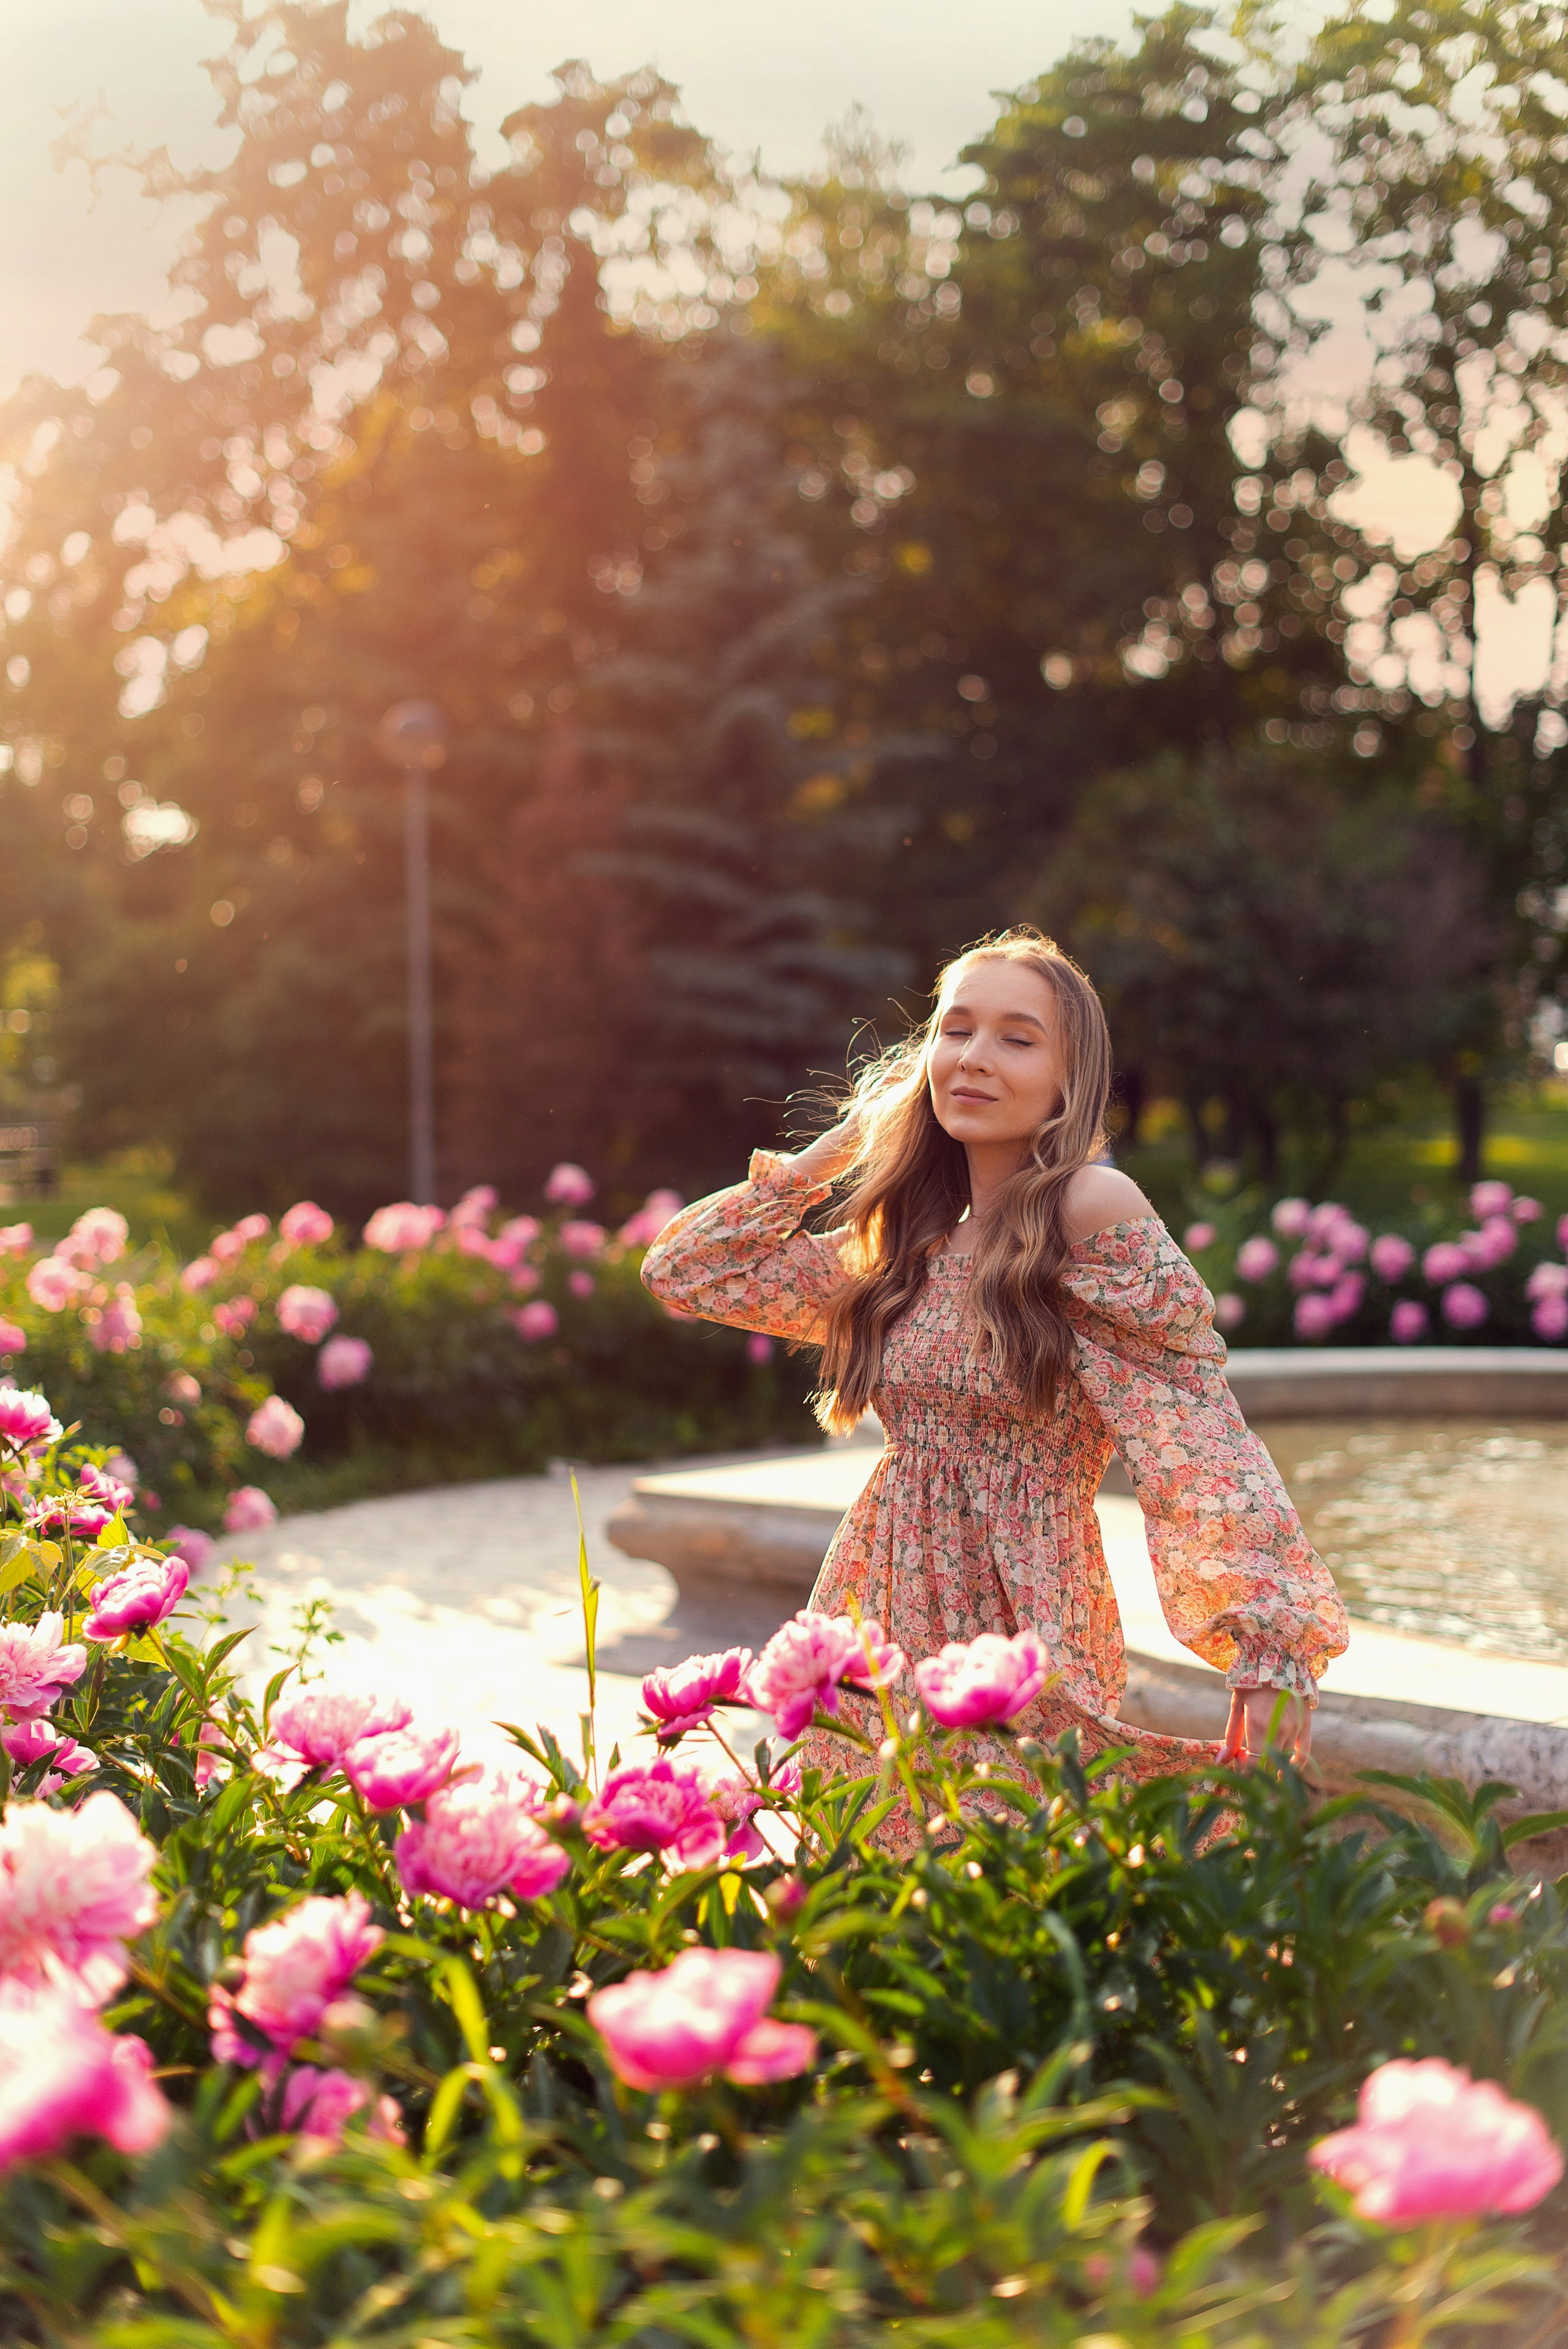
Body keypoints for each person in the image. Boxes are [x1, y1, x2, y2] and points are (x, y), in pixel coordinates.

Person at [641, 926, 1349, 1790]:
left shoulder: (1090, 1208)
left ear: (1068, 1080)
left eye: (1018, 1038)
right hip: (874, 1607)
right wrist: (842, 1147)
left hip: (1022, 1616)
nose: (975, 1057)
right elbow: (685, 1270)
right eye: (954, 1030)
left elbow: (1202, 1450)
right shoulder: (910, 1241)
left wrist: (1270, 1657)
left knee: (1016, 1870)